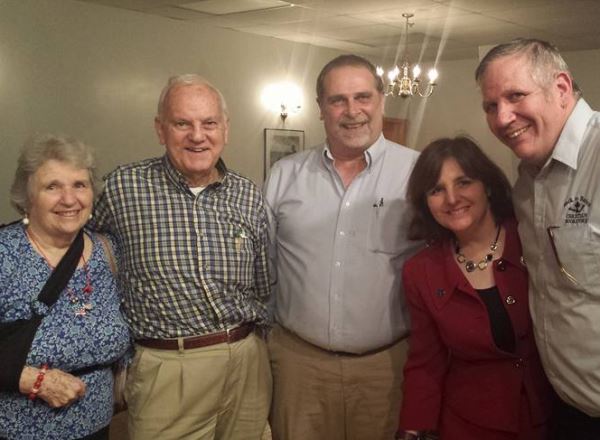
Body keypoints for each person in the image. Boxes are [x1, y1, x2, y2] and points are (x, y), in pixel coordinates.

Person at [90, 74, 272, 440]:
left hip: (246, 360)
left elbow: (264, 282)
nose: (197, 135)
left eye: (209, 123)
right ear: (161, 130)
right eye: (182, 123)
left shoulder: (247, 194)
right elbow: (74, 247)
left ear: (225, 128)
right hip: (169, 367)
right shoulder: (123, 187)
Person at [263, 54, 421, 440]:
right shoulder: (285, 174)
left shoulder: (417, 173)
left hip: (384, 367)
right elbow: (262, 265)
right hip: (300, 366)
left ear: (381, 100)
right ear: (321, 108)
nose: (353, 111)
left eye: (363, 97)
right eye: (338, 100)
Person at [476, 38, 600, 438]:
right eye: (491, 106)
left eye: (516, 96)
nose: (502, 117)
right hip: (567, 407)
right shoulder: (527, 179)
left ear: (561, 88)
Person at [397, 136, 554, 440]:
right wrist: (411, 431)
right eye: (437, 190)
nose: (452, 198)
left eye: (464, 182)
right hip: (468, 425)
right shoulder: (422, 271)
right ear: (426, 203)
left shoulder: (531, 239)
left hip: (551, 417)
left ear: (488, 185)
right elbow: (425, 363)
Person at [0, 134, 130, 440]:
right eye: (52, 186)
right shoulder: (5, 253)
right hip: (18, 431)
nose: (69, 199)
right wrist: (30, 379)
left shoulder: (108, 251)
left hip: (98, 426)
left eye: (79, 185)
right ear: (28, 197)